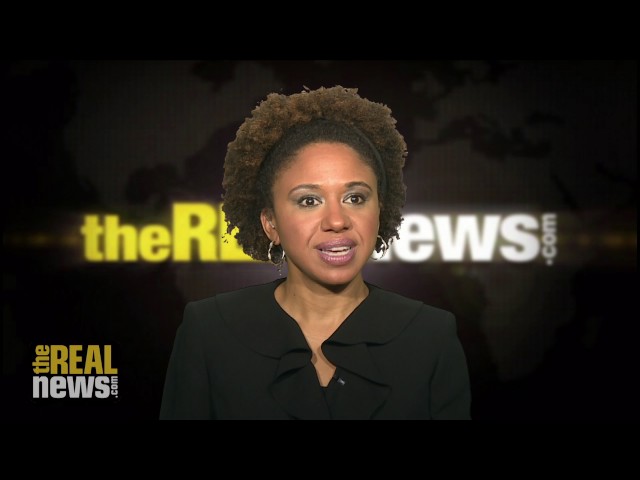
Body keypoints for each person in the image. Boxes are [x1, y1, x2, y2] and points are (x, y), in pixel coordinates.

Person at [160, 86, 471, 419]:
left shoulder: (431, 336)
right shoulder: (209, 331)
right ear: (270, 223)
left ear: (380, 210)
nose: (337, 221)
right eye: (309, 200)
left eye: (355, 198)